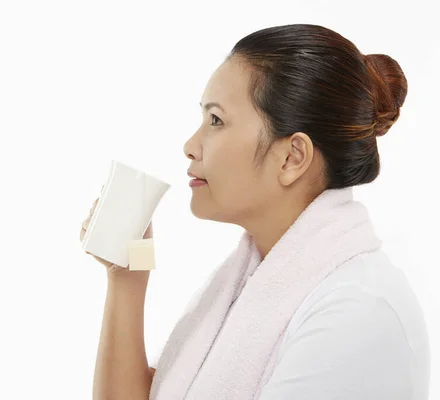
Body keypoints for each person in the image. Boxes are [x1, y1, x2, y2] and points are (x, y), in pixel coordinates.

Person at [80, 23, 430, 400]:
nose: (190, 145)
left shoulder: (355, 315)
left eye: (216, 120)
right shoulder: (249, 281)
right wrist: (127, 277)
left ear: (292, 157)